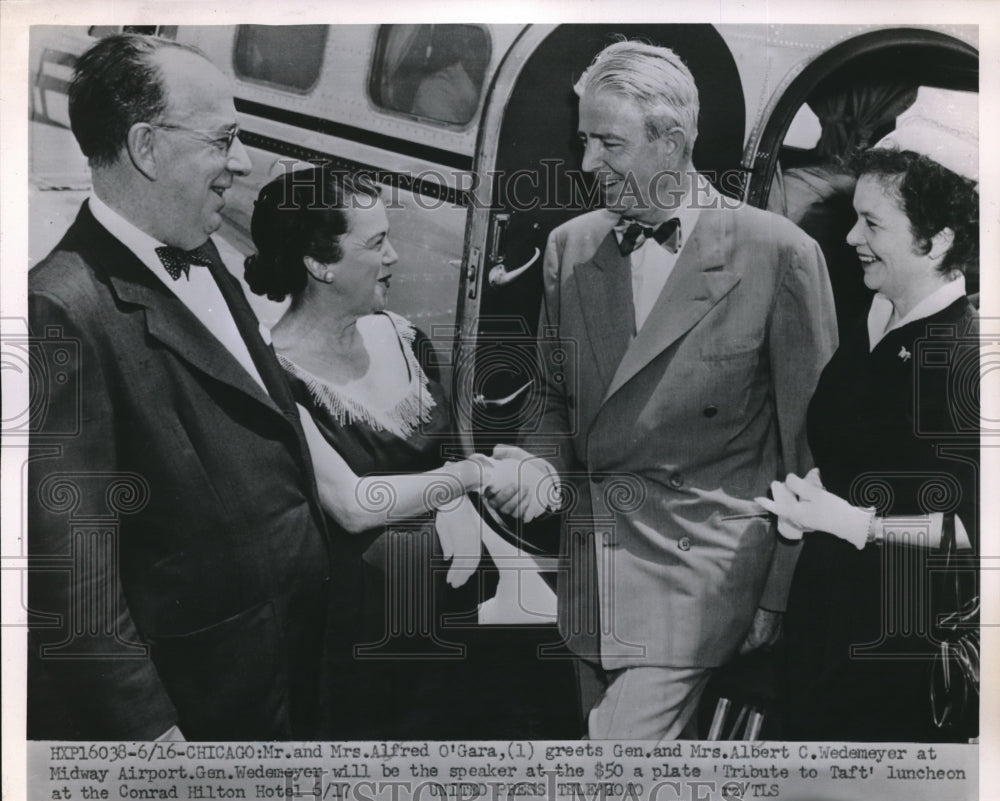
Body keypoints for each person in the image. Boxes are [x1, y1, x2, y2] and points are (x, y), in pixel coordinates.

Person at [485, 40, 839, 740]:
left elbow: (806, 445)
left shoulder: (779, 255)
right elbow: (552, 397)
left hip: (699, 576)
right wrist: (537, 462)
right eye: (584, 140)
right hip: (591, 571)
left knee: (609, 775)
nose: (587, 164)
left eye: (607, 143)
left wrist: (778, 593)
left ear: (672, 141)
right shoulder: (571, 246)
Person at [27, 34, 332, 740]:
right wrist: (155, 746)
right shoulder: (61, 310)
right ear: (147, 146)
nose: (245, 163)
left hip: (283, 676)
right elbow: (74, 581)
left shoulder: (203, 251)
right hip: (200, 705)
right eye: (224, 139)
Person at [245, 165, 510, 739]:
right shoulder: (272, 374)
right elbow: (355, 504)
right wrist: (470, 478)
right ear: (320, 264)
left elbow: (438, 453)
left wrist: (459, 508)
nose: (394, 256)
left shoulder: (402, 334)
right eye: (375, 243)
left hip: (450, 606)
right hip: (359, 634)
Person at [756, 105, 980, 741]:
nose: (852, 236)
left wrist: (858, 523)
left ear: (934, 242)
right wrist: (816, 496)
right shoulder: (875, 318)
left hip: (902, 635)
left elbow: (974, 530)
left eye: (872, 223)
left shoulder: (966, 359)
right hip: (828, 611)